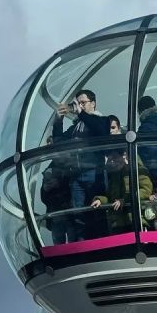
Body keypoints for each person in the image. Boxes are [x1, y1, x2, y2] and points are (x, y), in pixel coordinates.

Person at [41, 89, 115, 243]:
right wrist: (59, 120)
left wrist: (81, 113)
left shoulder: (102, 120)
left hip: (95, 173)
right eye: (78, 103)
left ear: (93, 104)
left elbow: (100, 130)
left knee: (98, 210)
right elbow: (59, 142)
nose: (80, 106)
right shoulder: (75, 127)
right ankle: (82, 244)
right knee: (78, 214)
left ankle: (102, 242)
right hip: (76, 176)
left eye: (83, 102)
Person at [91, 149, 153, 234]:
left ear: (124, 156)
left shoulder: (139, 170)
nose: (112, 162)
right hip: (118, 223)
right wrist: (100, 200)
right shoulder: (115, 175)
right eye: (111, 159)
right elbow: (111, 198)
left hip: (136, 220)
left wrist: (125, 200)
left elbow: (146, 190)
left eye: (115, 158)